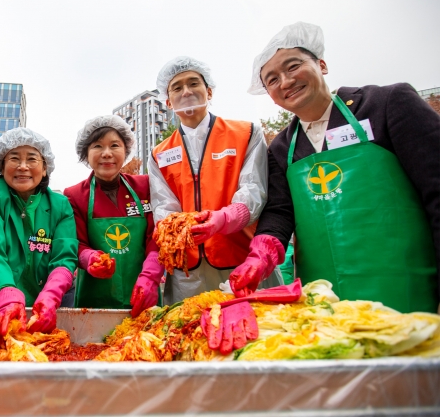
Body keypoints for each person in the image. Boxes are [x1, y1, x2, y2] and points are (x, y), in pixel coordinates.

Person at [235, 21, 440, 314]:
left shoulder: (385, 105)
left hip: (408, 291)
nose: (285, 81)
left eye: (293, 66)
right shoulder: (281, 148)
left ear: (322, 64)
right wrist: (261, 253)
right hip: (326, 304)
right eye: (272, 79)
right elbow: (280, 211)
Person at [148, 56, 276, 307]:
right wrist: (174, 229)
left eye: (193, 83)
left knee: (256, 334)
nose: (186, 91)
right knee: (190, 335)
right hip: (189, 272)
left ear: (209, 91)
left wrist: (224, 219)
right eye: (177, 87)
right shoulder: (159, 153)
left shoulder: (246, 133)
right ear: (168, 101)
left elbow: (253, 189)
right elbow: (164, 205)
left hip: (242, 257)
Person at [0, 128, 78, 342]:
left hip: (39, 315)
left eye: (32, 159)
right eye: (14, 158)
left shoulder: (60, 206)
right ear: (2, 166)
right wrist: (6, 294)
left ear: (44, 169)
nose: (23, 166)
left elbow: (65, 258)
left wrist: (51, 295)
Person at [64, 115, 162, 316]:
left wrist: (151, 275)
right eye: (97, 146)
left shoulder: (145, 187)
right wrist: (89, 258)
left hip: (144, 294)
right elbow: (76, 243)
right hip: (95, 302)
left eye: (114, 145)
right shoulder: (74, 195)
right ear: (86, 153)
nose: (106, 153)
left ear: (126, 151)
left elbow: (157, 235)